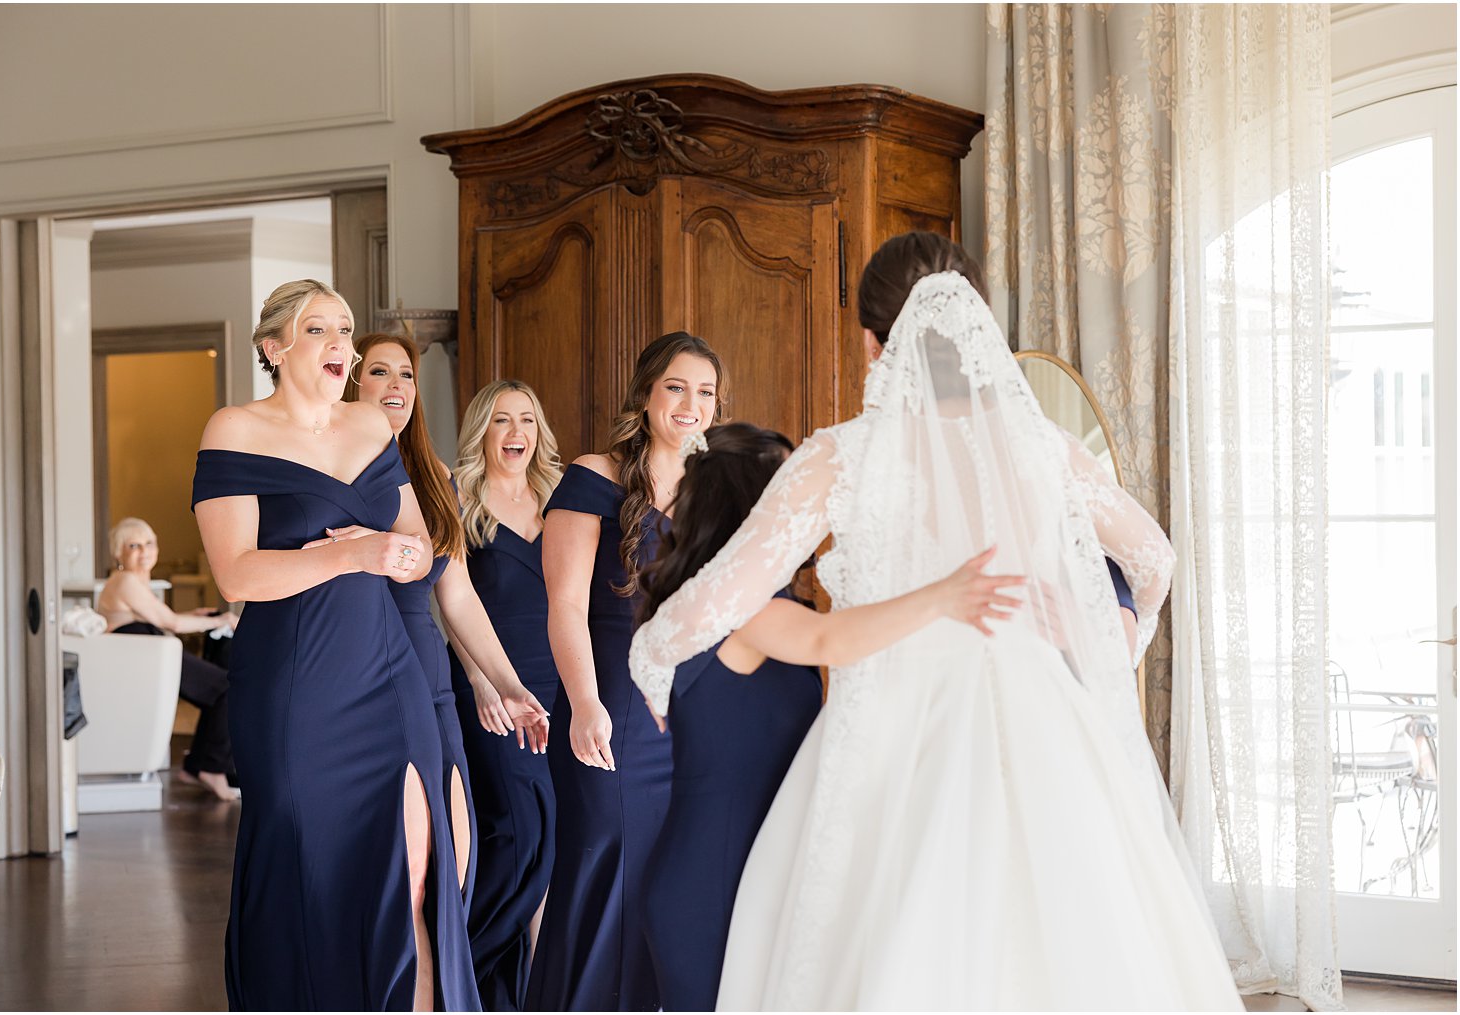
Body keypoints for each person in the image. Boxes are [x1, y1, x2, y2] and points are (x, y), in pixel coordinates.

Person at [629, 234, 1244, 1010]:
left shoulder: (843, 457)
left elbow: (721, 591)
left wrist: (652, 658)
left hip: (893, 727)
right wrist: (1116, 635)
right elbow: (1154, 559)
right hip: (1044, 718)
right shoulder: (1040, 449)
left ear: (871, 340)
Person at [634, 422, 1022, 1011]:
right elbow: (828, 642)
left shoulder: (740, 607)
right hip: (712, 883)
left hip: (759, 873)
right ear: (756, 505)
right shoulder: (740, 614)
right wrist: (943, 596)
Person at [192, 280, 480, 1011]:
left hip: (389, 674)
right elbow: (236, 575)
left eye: (346, 331)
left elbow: (418, 545)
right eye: (319, 328)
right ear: (274, 346)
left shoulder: (370, 429)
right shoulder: (234, 429)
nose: (341, 346)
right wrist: (352, 556)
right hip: (294, 685)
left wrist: (396, 552)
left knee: (416, 874)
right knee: (311, 875)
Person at [526, 331, 724, 1012]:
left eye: (704, 392)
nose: (690, 404)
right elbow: (564, 604)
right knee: (608, 876)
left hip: (693, 714)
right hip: (611, 704)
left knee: (670, 888)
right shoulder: (595, 475)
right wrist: (583, 701)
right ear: (646, 395)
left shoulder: (715, 489)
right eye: (676, 387)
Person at [340, 333, 550, 899]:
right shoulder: (327, 462)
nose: (396, 386)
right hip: (352, 662)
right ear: (351, 380)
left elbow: (457, 595)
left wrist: (508, 686)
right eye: (380, 372)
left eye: (406, 375)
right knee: (388, 848)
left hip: (426, 663)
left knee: (451, 845)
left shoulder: (435, 475)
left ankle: (454, 983)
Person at [446, 379, 563, 1010]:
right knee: (518, 834)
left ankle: (532, 992)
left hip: (558, 686)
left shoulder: (562, 499)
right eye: (500, 421)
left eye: (526, 419)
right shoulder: (459, 500)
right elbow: (448, 601)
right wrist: (480, 681)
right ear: (481, 433)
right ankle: (458, 972)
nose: (516, 432)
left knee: (556, 842)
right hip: (491, 689)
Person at [96, 516, 241, 801]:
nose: (144, 551)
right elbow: (172, 624)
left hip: (147, 652)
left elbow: (164, 621)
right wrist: (223, 618)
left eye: (149, 543)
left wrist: (196, 617)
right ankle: (209, 768)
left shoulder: (133, 581)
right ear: (118, 553)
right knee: (228, 688)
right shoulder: (125, 581)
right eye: (134, 545)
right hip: (140, 657)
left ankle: (198, 766)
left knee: (222, 682)